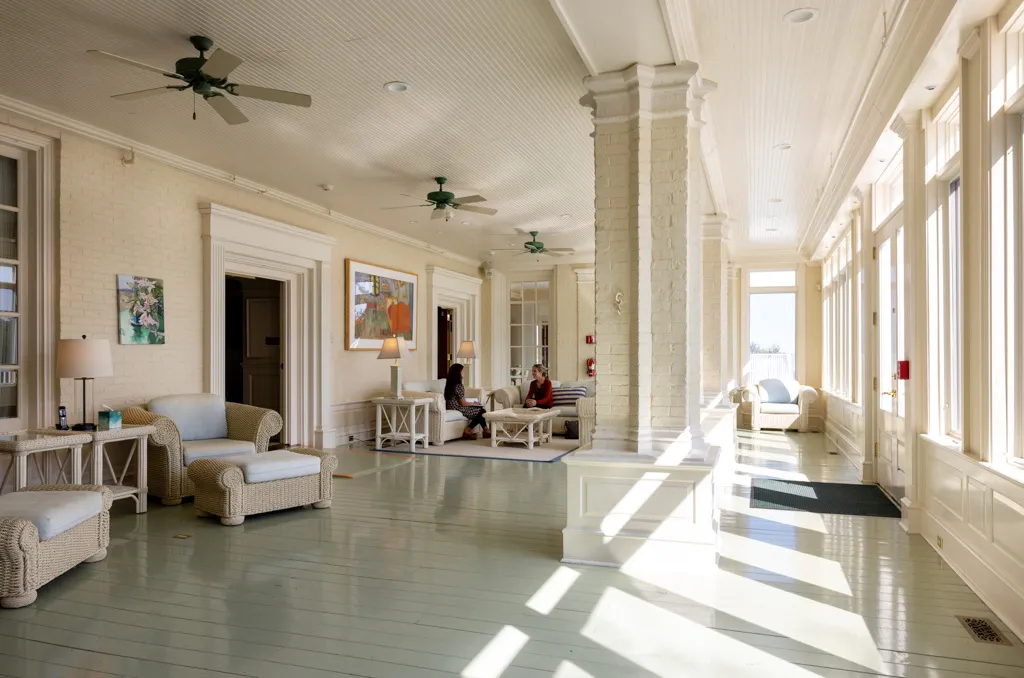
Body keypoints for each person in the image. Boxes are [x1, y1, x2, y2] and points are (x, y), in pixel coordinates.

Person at [445, 363, 488, 439]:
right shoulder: (459, 385)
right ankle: (469, 430)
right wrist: (473, 404)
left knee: (481, 410)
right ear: (458, 373)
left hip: (450, 407)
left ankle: (486, 431)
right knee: (482, 411)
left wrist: (471, 403)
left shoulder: (448, 384)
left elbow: (458, 400)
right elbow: (463, 404)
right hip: (458, 408)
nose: (464, 373)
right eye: (462, 371)